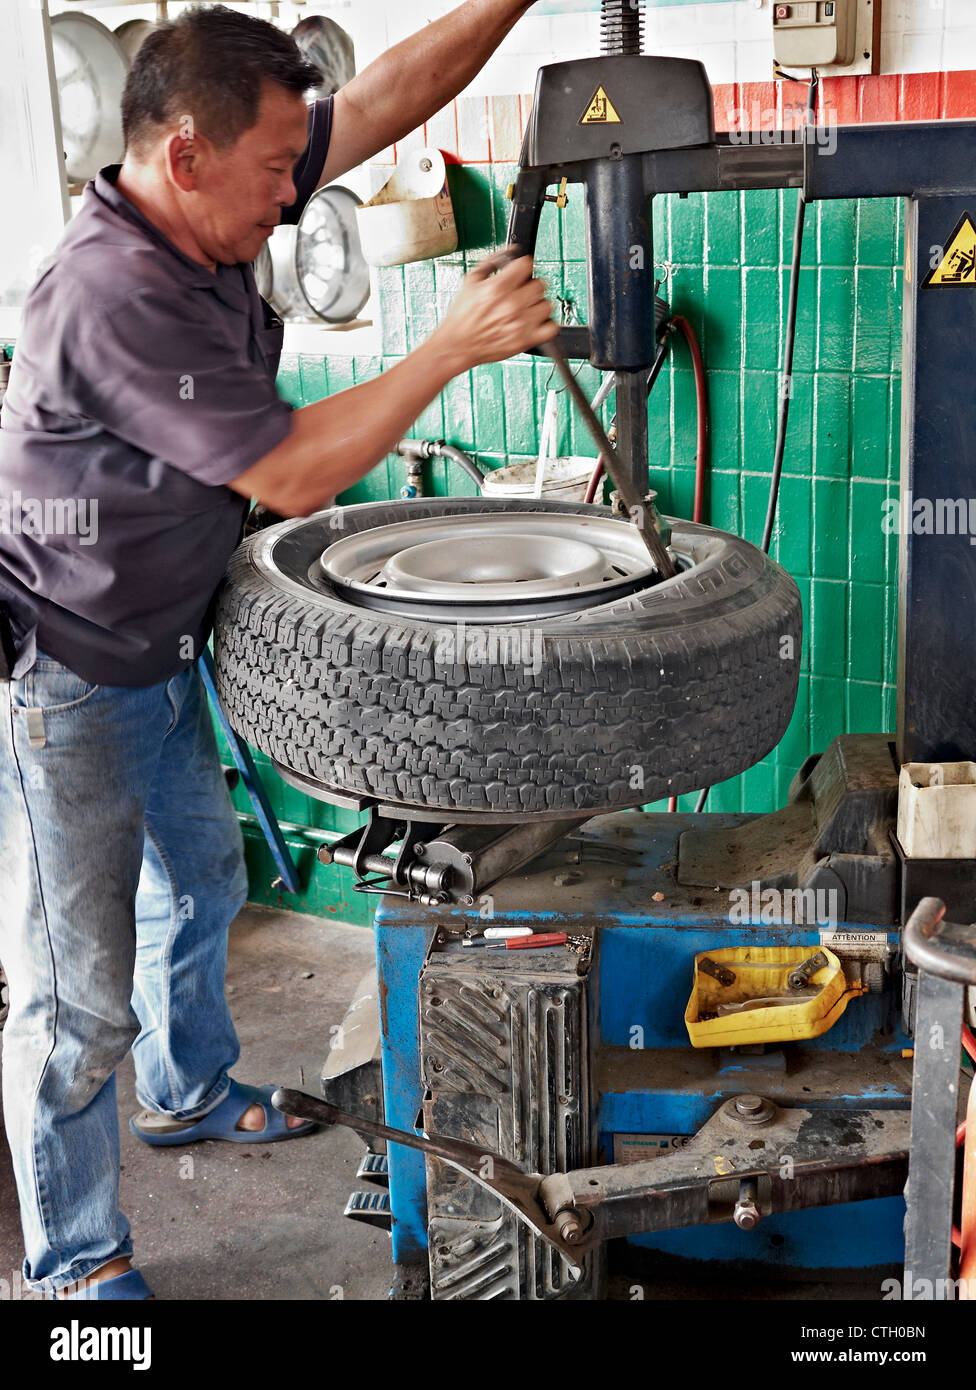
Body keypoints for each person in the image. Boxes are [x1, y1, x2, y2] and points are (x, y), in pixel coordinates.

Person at [0, 1, 556, 1300]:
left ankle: (185, 1093)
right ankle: (79, 1267)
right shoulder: (115, 293)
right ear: (183, 157)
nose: (294, 200)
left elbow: (394, 93)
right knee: (74, 1003)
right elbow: (295, 469)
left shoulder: (212, 197)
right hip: (67, 681)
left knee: (198, 886)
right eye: (273, 175)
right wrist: (450, 346)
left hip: (159, 646)